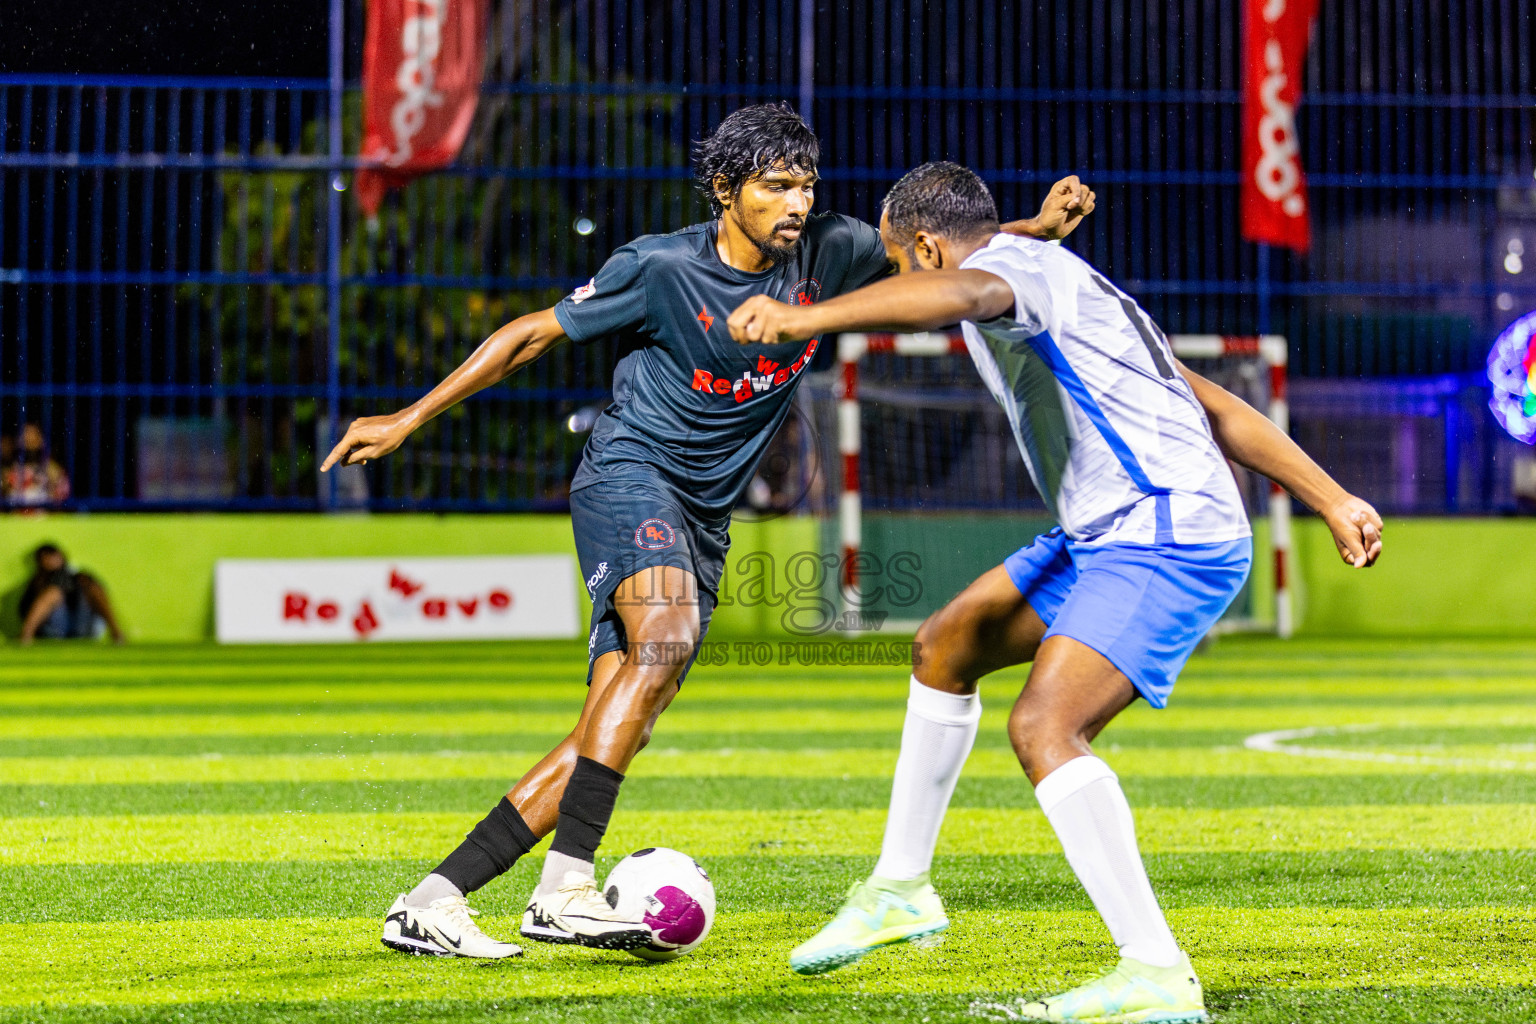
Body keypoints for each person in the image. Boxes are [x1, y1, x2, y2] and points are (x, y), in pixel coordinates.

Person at [321, 105, 1097, 959]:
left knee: (615, 721)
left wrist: (1032, 228)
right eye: (774, 186)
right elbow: (531, 337)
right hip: (629, 476)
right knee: (667, 641)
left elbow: (936, 261)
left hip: (702, 519)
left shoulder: (829, 251)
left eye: (805, 184)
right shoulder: (659, 266)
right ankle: (566, 889)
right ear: (727, 191)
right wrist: (410, 415)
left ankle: (433, 898)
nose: (796, 202)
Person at [727, 162, 1382, 1023]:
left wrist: (806, 318)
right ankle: (900, 889)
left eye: (896, 261)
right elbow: (1212, 402)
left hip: (1167, 532)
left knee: (1045, 726)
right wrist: (1331, 497)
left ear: (925, 247)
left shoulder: (1004, 281)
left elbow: (957, 293)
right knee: (947, 646)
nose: (895, 278)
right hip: (1106, 529)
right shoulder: (1047, 270)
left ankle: (1154, 970)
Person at [18, 543, 125, 645]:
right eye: (46, 558)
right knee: (53, 592)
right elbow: (23, 610)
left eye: (53, 556)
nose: (51, 561)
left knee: (92, 586)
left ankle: (116, 632)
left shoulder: (79, 577)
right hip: (54, 630)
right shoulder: (38, 582)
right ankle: (26, 636)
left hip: (84, 627)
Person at [2, 424, 72, 508]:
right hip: (14, 514)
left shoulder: (51, 467)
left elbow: (61, 495)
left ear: (41, 440)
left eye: (33, 435)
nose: (28, 438)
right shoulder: (9, 467)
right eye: (25, 434)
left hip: (43, 514)